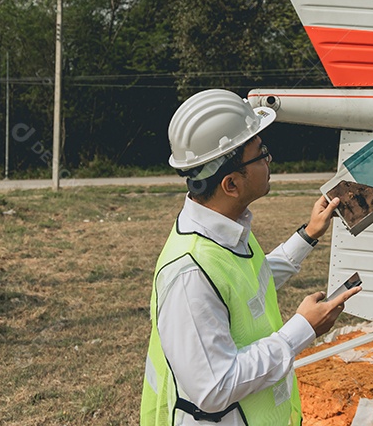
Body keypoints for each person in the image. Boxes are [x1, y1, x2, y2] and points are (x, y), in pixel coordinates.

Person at [142, 89, 360, 426]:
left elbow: (248, 283)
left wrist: (308, 235)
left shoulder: (224, 229)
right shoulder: (189, 274)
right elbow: (213, 387)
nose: (269, 161)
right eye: (261, 154)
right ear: (231, 184)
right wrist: (302, 329)